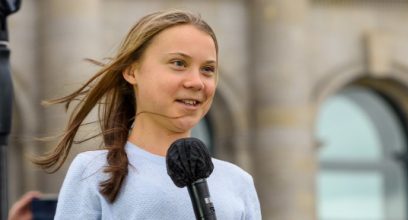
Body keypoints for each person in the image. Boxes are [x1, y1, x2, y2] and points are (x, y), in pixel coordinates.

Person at [34, 10, 261, 219]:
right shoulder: (93, 171)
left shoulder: (238, 182)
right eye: (179, 63)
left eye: (208, 69)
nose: (196, 82)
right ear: (132, 71)